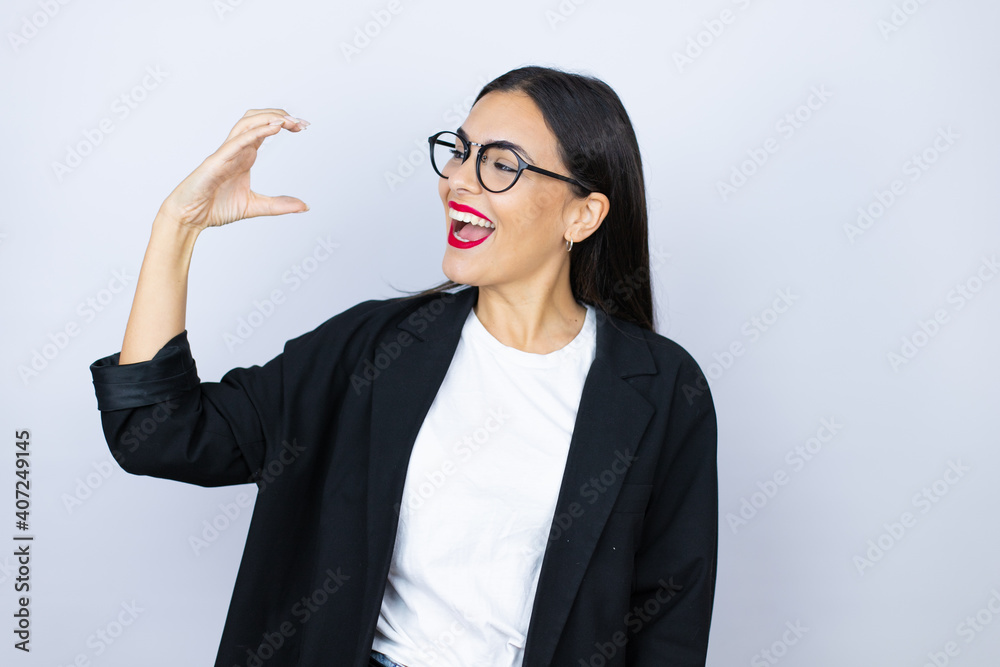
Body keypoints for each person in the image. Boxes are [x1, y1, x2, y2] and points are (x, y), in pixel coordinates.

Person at [89, 65, 718, 667]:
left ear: (582, 214)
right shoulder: (374, 349)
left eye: (500, 164)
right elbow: (158, 432)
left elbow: (668, 623)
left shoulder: (661, 389)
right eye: (460, 151)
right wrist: (178, 224)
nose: (459, 180)